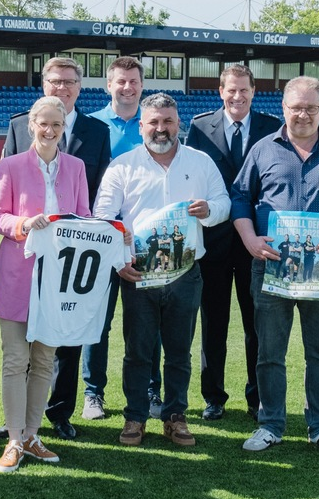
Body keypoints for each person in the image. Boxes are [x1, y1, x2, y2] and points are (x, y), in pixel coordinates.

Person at [231, 76, 319, 456]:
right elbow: (240, 198)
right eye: (297, 107)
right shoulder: (262, 150)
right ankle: (271, 424)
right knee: (269, 352)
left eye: (312, 108)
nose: (304, 114)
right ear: (283, 108)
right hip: (272, 265)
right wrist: (249, 239)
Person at [94, 93, 231, 447]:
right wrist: (118, 261)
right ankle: (135, 417)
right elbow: (103, 218)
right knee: (137, 350)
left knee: (179, 350)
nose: (161, 128)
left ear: (178, 123)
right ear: (141, 126)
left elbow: (224, 203)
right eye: (153, 122)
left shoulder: (201, 162)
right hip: (139, 273)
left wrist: (209, 210)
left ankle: (175, 416)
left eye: (167, 121)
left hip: (186, 272)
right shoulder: (122, 165)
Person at [3, 56, 112, 439]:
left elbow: (90, 206)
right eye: (54, 81)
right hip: (22, 265)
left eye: (69, 82)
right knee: (19, 354)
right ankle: (16, 427)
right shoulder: (15, 143)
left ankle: (51, 419)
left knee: (55, 350)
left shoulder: (89, 146)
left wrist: (110, 233)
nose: (61, 88)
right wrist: (22, 225)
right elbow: (0, 207)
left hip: (67, 267)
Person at [0, 96, 91, 473]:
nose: (49, 131)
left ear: (64, 128)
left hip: (59, 280)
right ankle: (14, 438)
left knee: (45, 359)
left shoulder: (77, 167)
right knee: (16, 359)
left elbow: (85, 216)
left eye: (56, 125)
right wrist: (23, 224)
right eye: (42, 124)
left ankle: (32, 435)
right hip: (17, 276)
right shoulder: (11, 165)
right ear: (30, 125)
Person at [186, 64, 282, 422]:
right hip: (212, 240)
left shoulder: (272, 126)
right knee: (213, 323)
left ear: (253, 91)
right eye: (231, 90)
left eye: (244, 90)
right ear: (220, 91)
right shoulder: (199, 126)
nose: (237, 97)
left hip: (258, 240)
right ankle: (214, 397)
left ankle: (257, 398)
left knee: (257, 322)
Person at [83, 56, 151, 421]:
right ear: (108, 85)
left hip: (144, 241)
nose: (127, 87)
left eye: (133, 82)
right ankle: (94, 393)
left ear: (142, 85)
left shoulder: (153, 124)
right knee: (98, 321)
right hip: (102, 236)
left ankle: (151, 390)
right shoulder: (92, 125)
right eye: (120, 81)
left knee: (147, 323)